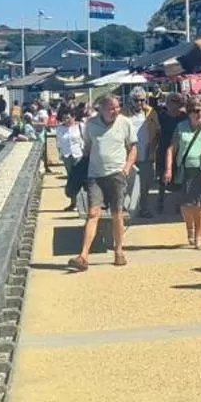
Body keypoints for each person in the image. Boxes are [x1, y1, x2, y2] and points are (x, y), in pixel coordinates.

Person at [72, 94, 137, 271]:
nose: (115, 111)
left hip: (117, 173)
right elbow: (87, 148)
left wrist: (127, 168)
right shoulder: (91, 125)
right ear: (101, 109)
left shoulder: (125, 123)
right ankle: (83, 255)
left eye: (117, 107)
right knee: (93, 213)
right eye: (111, 108)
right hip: (95, 175)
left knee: (117, 213)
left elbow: (133, 148)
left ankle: (119, 251)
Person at [165, 96, 201, 250]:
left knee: (200, 205)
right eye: (196, 111)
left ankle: (199, 237)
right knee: (185, 205)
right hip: (184, 171)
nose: (200, 114)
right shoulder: (181, 127)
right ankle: (189, 229)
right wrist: (169, 169)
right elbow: (171, 149)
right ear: (189, 112)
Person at [133, 94, 163, 219]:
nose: (139, 102)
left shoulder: (151, 113)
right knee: (128, 184)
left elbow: (158, 131)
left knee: (145, 184)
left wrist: (152, 147)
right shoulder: (123, 113)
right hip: (129, 154)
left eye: (142, 100)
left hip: (146, 153)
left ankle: (143, 208)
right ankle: (129, 208)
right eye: (136, 100)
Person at [56, 110, 87, 212]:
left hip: (78, 155)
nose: (66, 120)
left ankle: (83, 203)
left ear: (73, 117)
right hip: (67, 156)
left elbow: (85, 139)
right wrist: (60, 154)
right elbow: (59, 142)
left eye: (68, 118)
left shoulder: (79, 126)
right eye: (64, 118)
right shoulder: (60, 128)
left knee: (80, 179)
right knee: (71, 180)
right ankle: (73, 203)